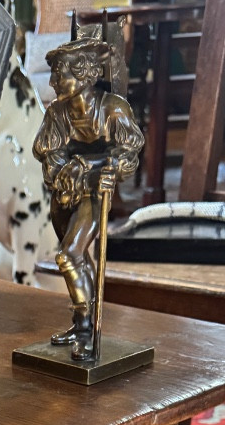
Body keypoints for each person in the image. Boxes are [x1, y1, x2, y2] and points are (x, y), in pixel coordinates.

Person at [33, 36, 143, 361]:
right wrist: (65, 170)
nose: (53, 82)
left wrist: (98, 167)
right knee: (79, 260)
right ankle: (83, 320)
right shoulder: (57, 114)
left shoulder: (113, 109)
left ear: (83, 75)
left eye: (59, 74)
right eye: (53, 75)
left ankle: (85, 331)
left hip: (95, 194)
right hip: (64, 195)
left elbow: (129, 151)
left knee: (69, 256)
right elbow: (47, 151)